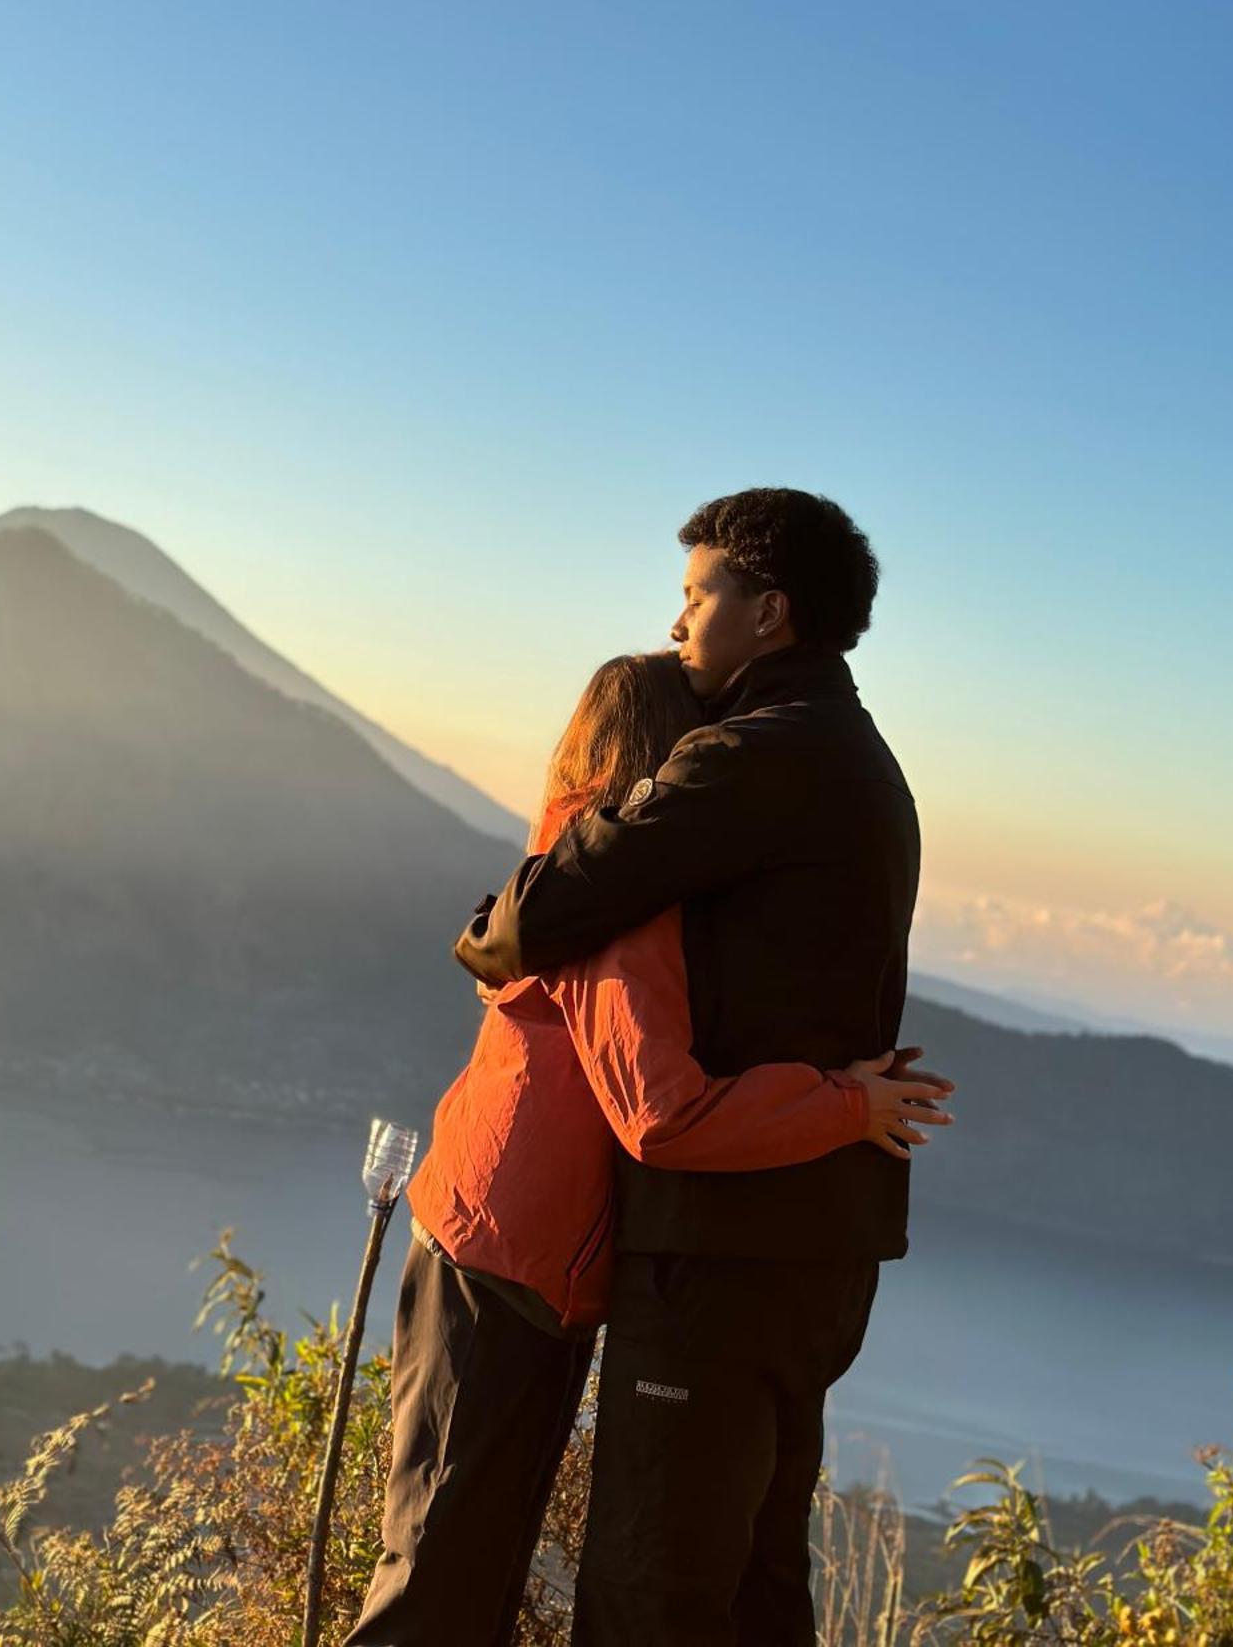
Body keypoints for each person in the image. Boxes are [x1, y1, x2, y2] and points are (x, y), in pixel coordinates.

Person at [345, 647, 952, 1647]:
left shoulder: (579, 869)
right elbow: (662, 1115)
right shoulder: (618, 901)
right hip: (501, 1265)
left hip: (500, 1257)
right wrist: (848, 1104)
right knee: (436, 1590)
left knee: (459, 1579)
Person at [454, 487, 930, 1647]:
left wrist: (485, 937)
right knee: (757, 1585)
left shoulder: (756, 756)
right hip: (819, 1245)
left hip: (724, 1247)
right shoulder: (865, 761)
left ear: (769, 612)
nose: (676, 625)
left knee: (650, 1587)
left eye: (695, 594)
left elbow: (559, 893)